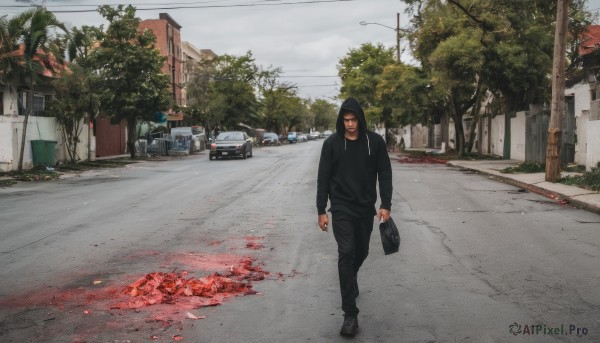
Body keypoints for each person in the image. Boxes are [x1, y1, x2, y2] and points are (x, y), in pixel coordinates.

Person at [316, 97, 393, 337]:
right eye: (346, 120)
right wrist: (321, 210)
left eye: (353, 119)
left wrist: (386, 204)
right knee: (346, 252)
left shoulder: (375, 142)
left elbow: (385, 172)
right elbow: (323, 177)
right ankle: (350, 315)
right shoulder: (332, 144)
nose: (350, 124)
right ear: (341, 120)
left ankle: (351, 276)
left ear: (360, 119)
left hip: (365, 208)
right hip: (340, 208)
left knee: (362, 252)